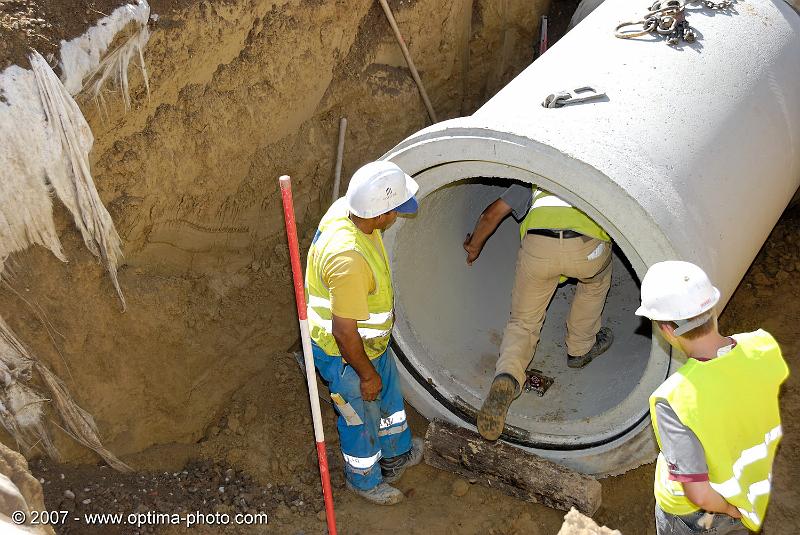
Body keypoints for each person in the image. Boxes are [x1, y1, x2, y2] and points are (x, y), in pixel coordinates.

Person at [636, 261, 788, 535]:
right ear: (712, 308)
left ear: (667, 330)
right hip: (748, 488)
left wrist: (731, 511)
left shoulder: (672, 399)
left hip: (696, 516)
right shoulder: (763, 346)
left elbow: (699, 494)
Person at [305, 160, 424, 505]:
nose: (396, 217)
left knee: (388, 399)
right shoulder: (349, 260)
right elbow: (344, 332)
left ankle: (395, 456)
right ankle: (365, 479)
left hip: (370, 344)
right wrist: (365, 373)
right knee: (359, 417)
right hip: (345, 354)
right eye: (394, 212)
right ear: (379, 213)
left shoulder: (351, 210)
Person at [463, 183, 614, 441]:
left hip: (539, 247)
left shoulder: (534, 177)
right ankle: (580, 347)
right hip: (586, 248)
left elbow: (492, 214)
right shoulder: (595, 172)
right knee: (595, 283)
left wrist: (474, 245)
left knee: (523, 321)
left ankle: (508, 376)